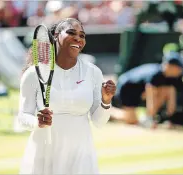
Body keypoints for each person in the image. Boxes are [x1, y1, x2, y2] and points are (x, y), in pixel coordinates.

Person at [17, 18, 116, 174]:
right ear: (56, 35)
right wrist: (37, 121)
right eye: (71, 32)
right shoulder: (33, 73)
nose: (78, 38)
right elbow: (22, 117)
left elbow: (99, 122)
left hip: (81, 156)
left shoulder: (93, 72)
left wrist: (106, 100)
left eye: (82, 35)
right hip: (44, 154)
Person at [110, 51, 183, 128]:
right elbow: (151, 97)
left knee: (165, 91)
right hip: (126, 88)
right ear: (169, 66)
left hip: (139, 91)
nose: (180, 71)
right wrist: (150, 119)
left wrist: (170, 119)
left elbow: (171, 97)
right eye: (178, 68)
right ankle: (107, 112)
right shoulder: (156, 75)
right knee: (132, 121)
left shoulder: (171, 78)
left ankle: (146, 118)